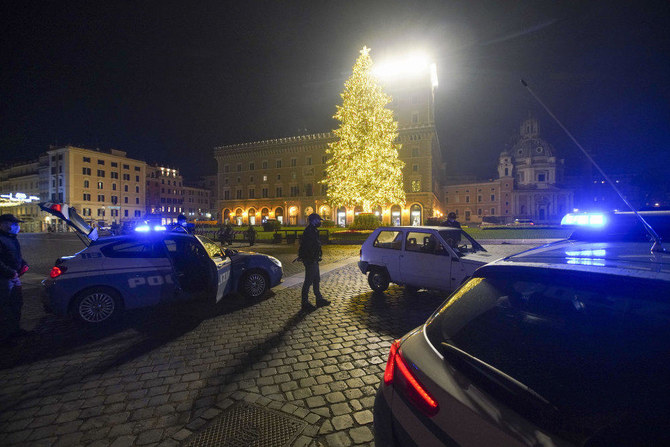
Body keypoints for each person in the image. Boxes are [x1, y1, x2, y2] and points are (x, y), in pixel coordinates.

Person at [0, 214, 30, 344]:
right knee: (4, 307)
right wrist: (10, 272)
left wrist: (23, 264)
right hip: (4, 278)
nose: (17, 226)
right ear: (3, 224)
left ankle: (15, 330)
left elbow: (15, 255)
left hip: (13, 276)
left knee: (16, 304)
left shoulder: (11, 238)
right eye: (14, 224)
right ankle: (5, 336)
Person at [298, 213, 330, 311]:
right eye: (318, 220)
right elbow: (307, 247)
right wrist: (311, 258)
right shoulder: (309, 231)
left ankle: (319, 299)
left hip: (314, 259)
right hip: (310, 259)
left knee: (316, 279)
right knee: (308, 281)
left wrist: (318, 255)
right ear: (313, 220)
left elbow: (315, 245)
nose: (320, 222)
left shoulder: (314, 230)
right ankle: (305, 303)